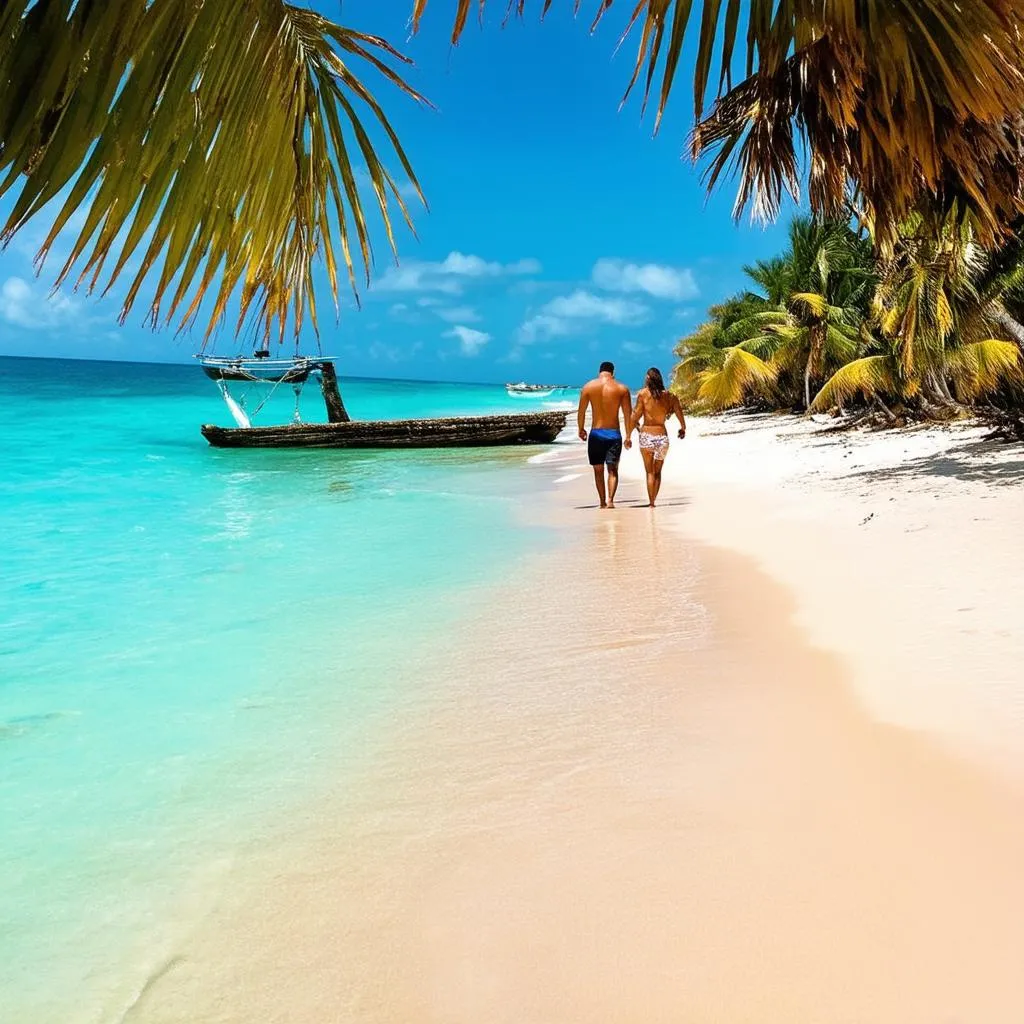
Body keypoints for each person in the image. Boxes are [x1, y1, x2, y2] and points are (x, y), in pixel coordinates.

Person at [577, 360, 632, 509]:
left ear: (599, 372)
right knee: (612, 470)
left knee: (598, 470)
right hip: (614, 434)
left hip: (596, 434)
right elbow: (628, 415)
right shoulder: (622, 388)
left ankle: (601, 502)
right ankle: (611, 500)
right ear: (613, 373)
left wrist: (581, 429)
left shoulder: (588, 387)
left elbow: (581, 411)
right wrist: (628, 436)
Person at [628, 367, 686, 508]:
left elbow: (635, 416)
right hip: (662, 437)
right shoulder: (669, 396)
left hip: (646, 435)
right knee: (658, 472)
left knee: (649, 472)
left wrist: (629, 434)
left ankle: (651, 502)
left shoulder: (642, 394)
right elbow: (678, 411)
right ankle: (654, 499)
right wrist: (683, 427)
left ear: (648, 379)